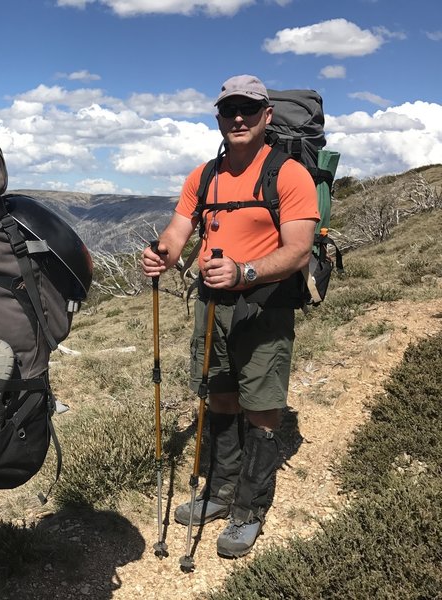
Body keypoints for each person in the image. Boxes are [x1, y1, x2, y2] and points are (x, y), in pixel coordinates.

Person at [141, 75, 319, 558]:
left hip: (265, 305)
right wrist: (163, 255)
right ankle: (218, 492)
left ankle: (249, 509)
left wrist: (245, 271)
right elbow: (179, 231)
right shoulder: (204, 176)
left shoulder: (289, 175)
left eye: (248, 109)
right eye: (228, 110)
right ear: (218, 118)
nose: (237, 118)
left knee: (261, 405)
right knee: (219, 396)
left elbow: (299, 250)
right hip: (212, 302)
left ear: (267, 116)